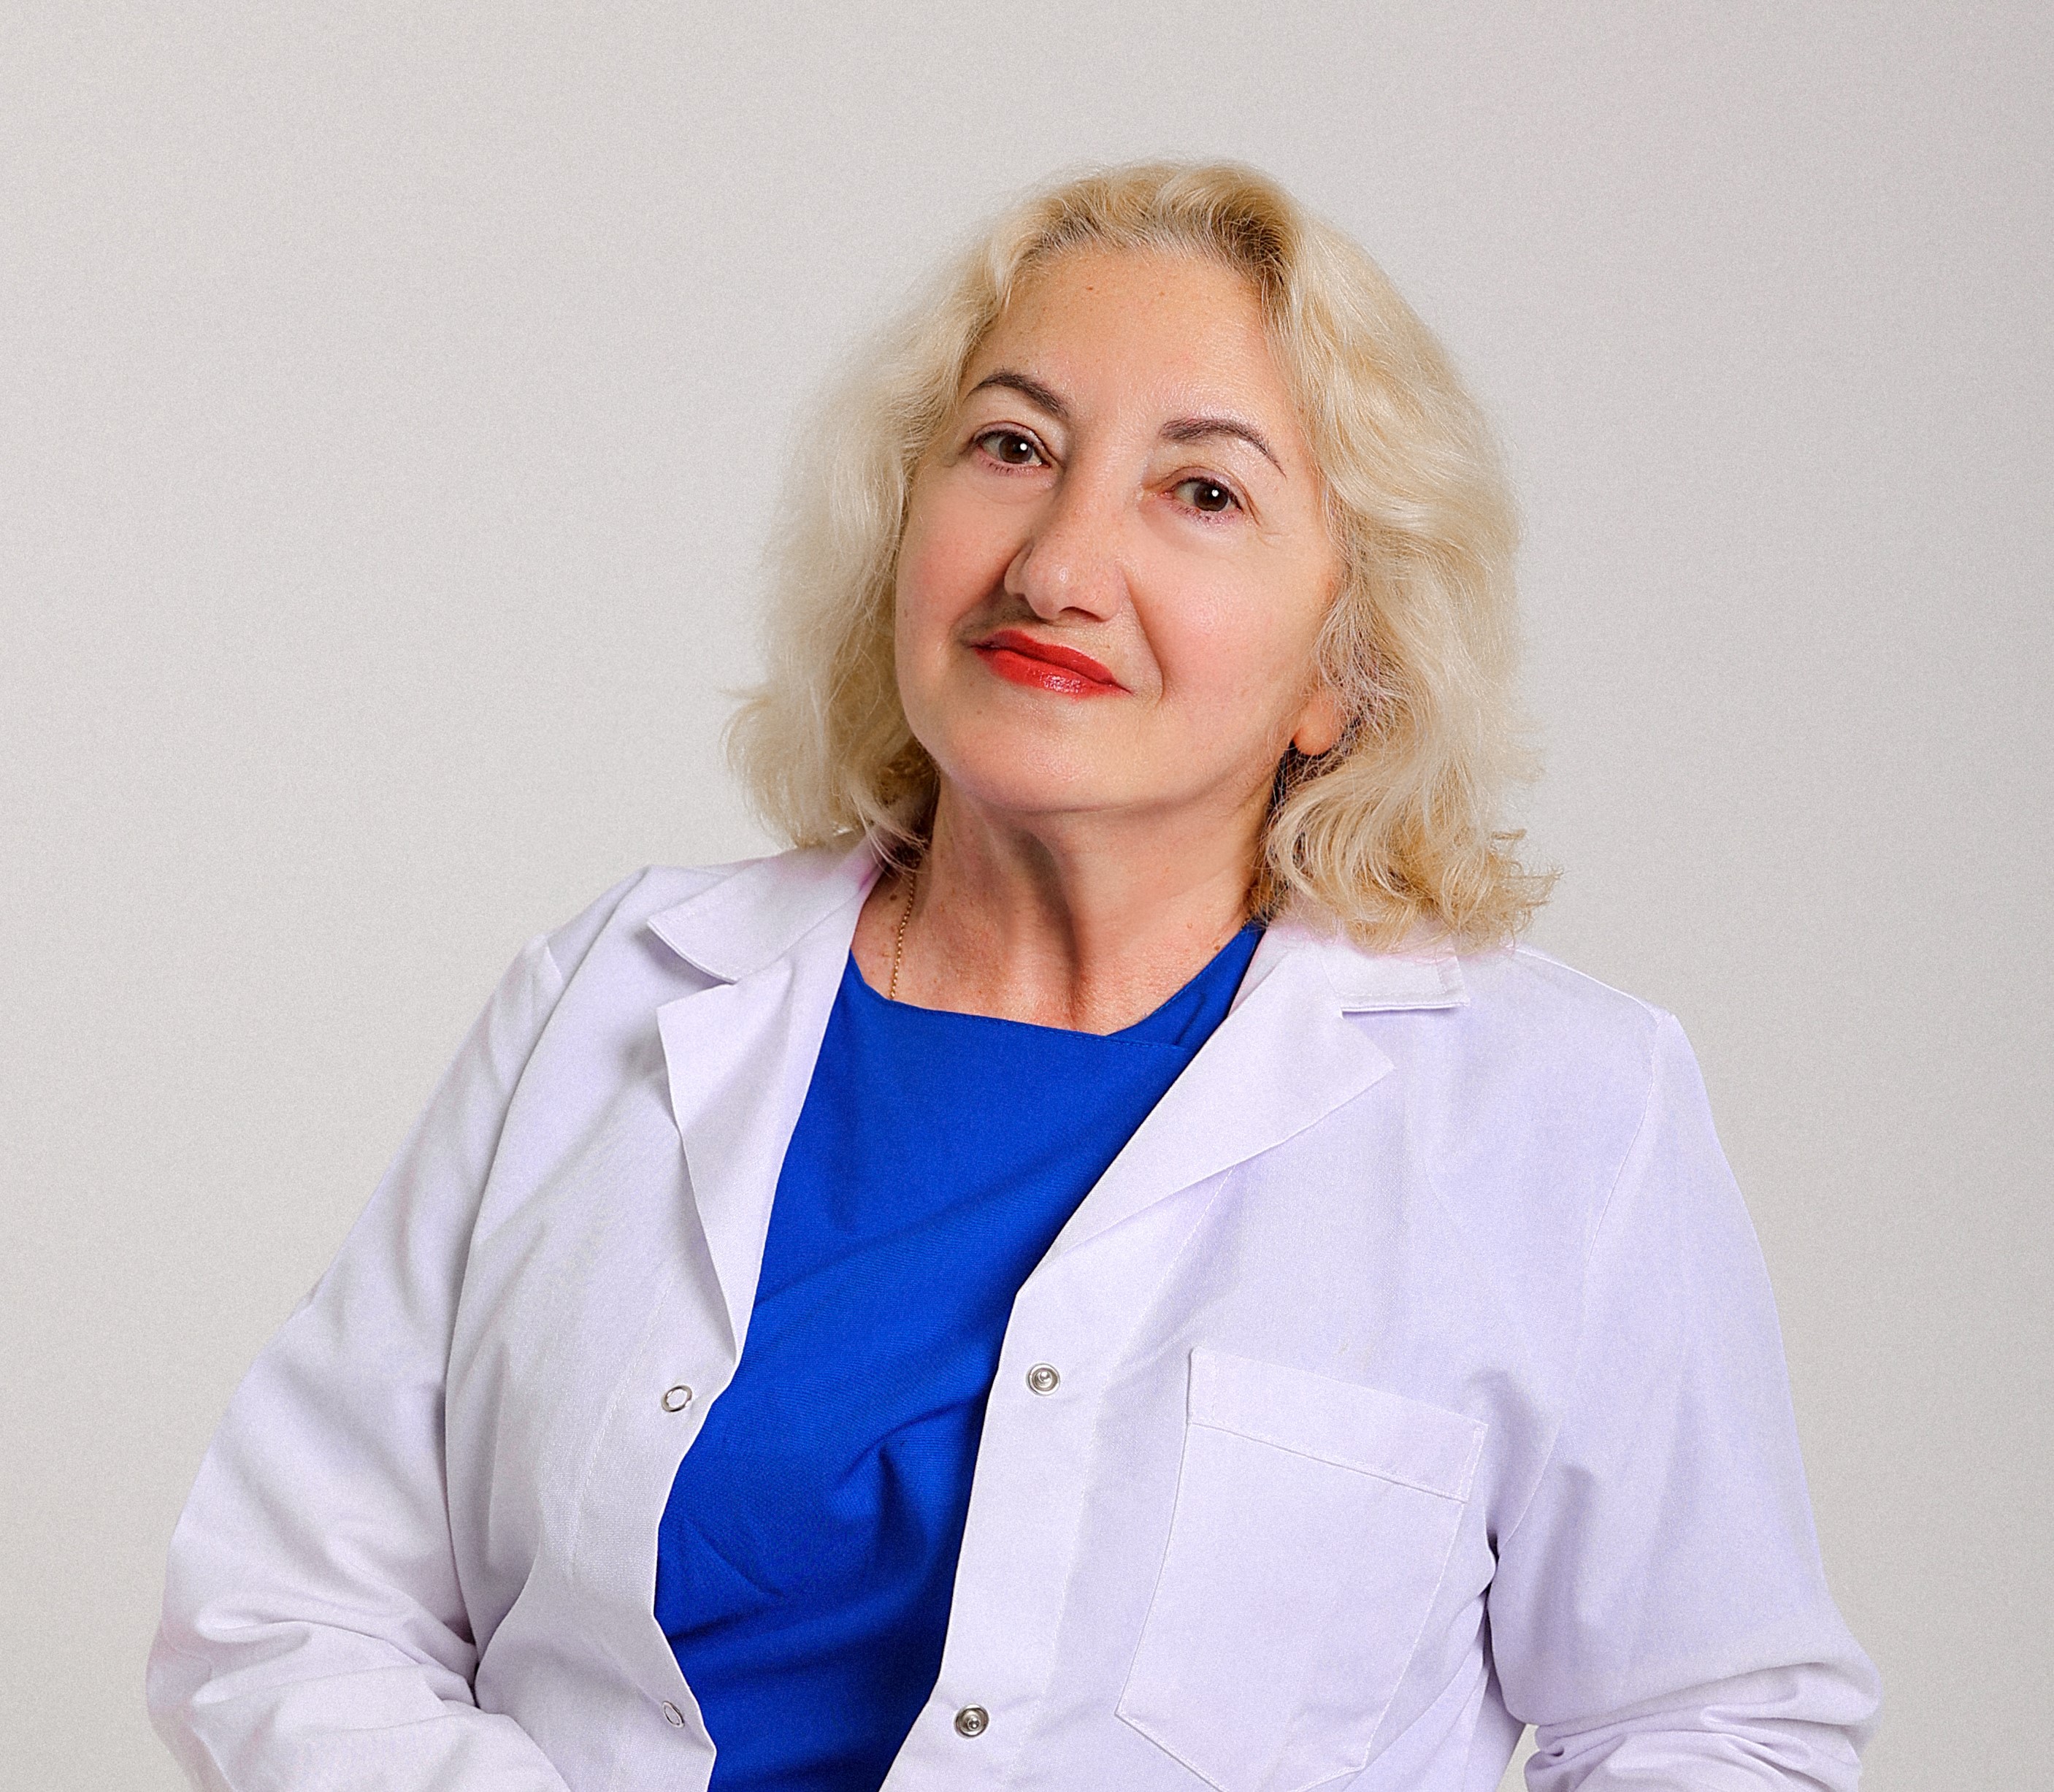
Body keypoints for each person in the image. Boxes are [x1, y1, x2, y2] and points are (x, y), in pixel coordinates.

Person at [149, 161, 1879, 1792]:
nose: (1054, 567)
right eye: (1010, 445)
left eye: (1203, 492)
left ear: (1341, 672)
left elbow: (1717, 1723)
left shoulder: (1558, 1113)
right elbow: (289, 1606)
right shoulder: (610, 995)